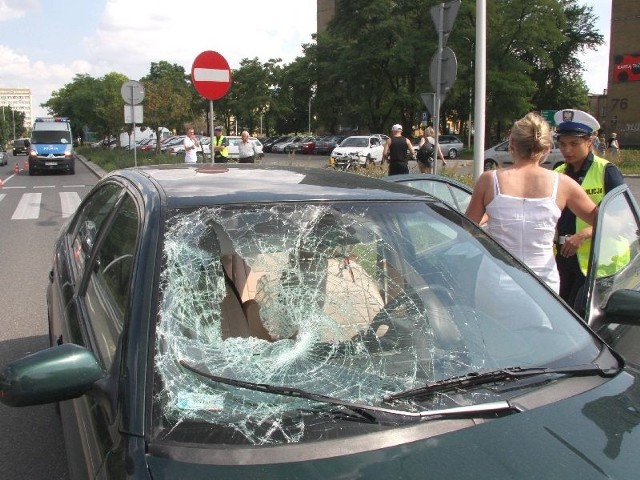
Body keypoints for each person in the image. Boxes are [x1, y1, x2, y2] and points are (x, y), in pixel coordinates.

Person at [465, 112, 597, 293]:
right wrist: (584, 234)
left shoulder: (489, 181)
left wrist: (498, 215)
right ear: (547, 148)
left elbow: (467, 229)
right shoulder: (563, 183)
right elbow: (603, 220)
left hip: (496, 278)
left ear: (512, 144)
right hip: (543, 282)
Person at [554, 109, 625, 311]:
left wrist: (585, 234)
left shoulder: (606, 171)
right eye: (563, 144)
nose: (567, 150)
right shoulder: (559, 173)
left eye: (574, 144)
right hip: (565, 259)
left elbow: (621, 220)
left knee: (581, 318)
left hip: (599, 263)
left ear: (590, 141)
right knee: (561, 314)